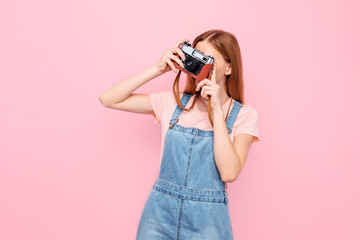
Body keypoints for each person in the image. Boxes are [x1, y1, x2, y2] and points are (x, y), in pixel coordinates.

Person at [99, 29, 260, 239]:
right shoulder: (173, 103)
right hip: (159, 216)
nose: (201, 65)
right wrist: (158, 69)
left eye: (209, 59)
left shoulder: (243, 115)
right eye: (198, 56)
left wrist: (217, 109)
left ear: (229, 67)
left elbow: (229, 173)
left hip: (208, 221)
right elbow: (108, 99)